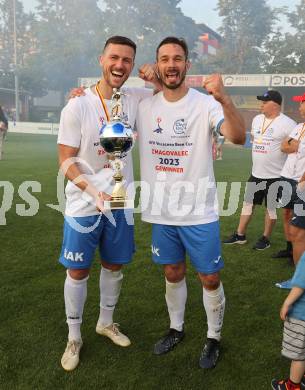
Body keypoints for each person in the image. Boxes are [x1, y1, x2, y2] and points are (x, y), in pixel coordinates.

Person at [136, 37, 245, 369]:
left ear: (187, 65)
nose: (171, 64)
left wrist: (224, 97)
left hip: (199, 210)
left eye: (178, 58)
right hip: (162, 210)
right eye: (165, 59)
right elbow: (107, 109)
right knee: (172, 272)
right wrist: (78, 97)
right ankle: (176, 328)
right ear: (157, 65)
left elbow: (238, 136)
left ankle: (213, 337)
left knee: (209, 278)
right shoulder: (144, 105)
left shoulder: (205, 104)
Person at [57, 35, 160, 372]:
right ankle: (74, 336)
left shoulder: (136, 98)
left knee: (114, 265)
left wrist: (154, 77)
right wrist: (92, 191)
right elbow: (65, 160)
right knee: (78, 269)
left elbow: (170, 96)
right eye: (114, 57)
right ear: (101, 60)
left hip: (119, 201)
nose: (120, 65)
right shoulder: (78, 105)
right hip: (83, 204)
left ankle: (105, 323)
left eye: (127, 60)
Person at [223, 90, 296, 250]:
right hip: (256, 173)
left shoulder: (288, 124)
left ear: (275, 105)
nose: (261, 104)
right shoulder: (257, 119)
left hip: (276, 176)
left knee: (270, 208)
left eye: (264, 101)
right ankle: (240, 235)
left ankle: (265, 238)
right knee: (248, 204)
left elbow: (294, 147)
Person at [275, 93, 305, 289]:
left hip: (302, 184)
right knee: (291, 221)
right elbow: (284, 146)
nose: (300, 108)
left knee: (299, 230)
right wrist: (293, 145)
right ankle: (291, 252)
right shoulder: (299, 126)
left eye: (302, 104)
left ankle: (299, 280)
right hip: (288, 178)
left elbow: (291, 146)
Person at [271, 251, 305, 390]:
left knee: (299, 356)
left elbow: (300, 285)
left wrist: (287, 302)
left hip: (301, 317)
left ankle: (292, 386)